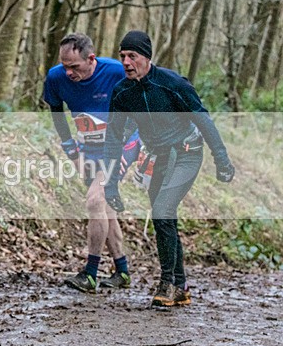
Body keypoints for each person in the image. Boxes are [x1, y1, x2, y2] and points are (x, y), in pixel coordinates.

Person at [103, 30, 235, 307]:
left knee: (163, 211)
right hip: (159, 158)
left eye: (132, 56)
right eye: (122, 56)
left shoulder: (172, 83)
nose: (126, 62)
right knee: (164, 217)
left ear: (147, 58)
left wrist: (221, 159)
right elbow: (114, 137)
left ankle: (167, 283)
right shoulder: (122, 92)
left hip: (187, 154)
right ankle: (181, 284)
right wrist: (111, 181)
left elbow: (203, 119)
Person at [44, 33, 140, 293]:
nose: (69, 72)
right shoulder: (56, 77)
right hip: (89, 148)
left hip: (123, 145)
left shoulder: (116, 72)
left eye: (74, 66)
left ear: (91, 59)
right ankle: (122, 271)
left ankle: (90, 273)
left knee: (95, 200)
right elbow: (57, 113)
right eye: (64, 66)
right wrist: (72, 152)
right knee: (105, 208)